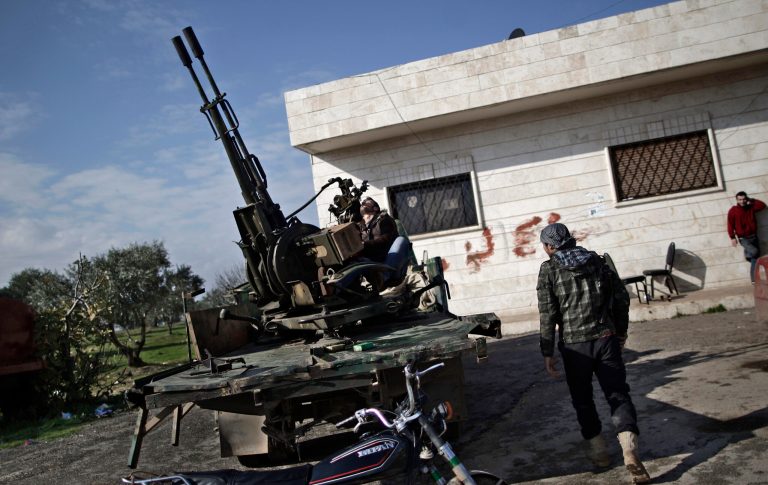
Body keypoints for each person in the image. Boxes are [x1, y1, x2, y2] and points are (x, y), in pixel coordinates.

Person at [536, 223, 650, 484]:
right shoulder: (599, 261)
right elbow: (621, 299)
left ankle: (600, 453)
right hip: (606, 339)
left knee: (582, 399)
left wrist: (547, 350)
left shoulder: (549, 269)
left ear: (551, 247)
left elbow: (548, 314)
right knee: (617, 394)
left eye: (544, 246)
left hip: (575, 348)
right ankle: (629, 449)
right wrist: (620, 333)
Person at [727, 191, 766, 283]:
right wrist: (732, 237)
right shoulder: (733, 211)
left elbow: (762, 205)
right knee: (755, 252)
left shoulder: (751, 207)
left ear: (746, 199)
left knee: (754, 259)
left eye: (744, 199)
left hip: (754, 236)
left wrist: (751, 200)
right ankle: (748, 256)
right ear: (737, 200)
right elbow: (730, 224)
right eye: (740, 199)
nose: (742, 201)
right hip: (743, 238)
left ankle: (754, 280)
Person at [358, 197, 397, 263]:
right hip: (373, 257)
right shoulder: (367, 226)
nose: (363, 218)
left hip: (383, 258)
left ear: (372, 212)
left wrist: (364, 244)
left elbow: (384, 240)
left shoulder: (384, 220)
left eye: (365, 215)